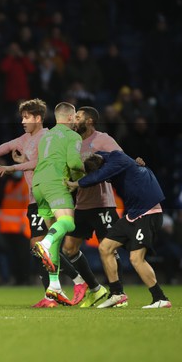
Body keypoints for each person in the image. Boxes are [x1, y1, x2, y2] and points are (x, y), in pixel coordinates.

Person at [0, 98, 86, 307]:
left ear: (38, 118)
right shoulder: (25, 139)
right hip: (35, 196)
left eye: (26, 117)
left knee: (40, 244)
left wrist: (11, 167)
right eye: (22, 117)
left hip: (50, 192)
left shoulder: (47, 136)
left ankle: (75, 282)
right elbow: (7, 146)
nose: (23, 121)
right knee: (40, 246)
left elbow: (39, 162)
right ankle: (55, 292)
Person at [67, 151, 171, 309]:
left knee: (136, 259)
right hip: (133, 215)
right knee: (105, 247)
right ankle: (117, 294)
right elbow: (100, 157)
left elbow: (97, 177)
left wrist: (75, 184)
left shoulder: (117, 161)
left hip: (149, 213)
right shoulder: (109, 156)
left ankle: (160, 298)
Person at [62, 106, 120, 307]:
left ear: (89, 121)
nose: (74, 119)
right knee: (69, 249)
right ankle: (95, 289)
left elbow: (120, 161)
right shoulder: (73, 143)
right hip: (82, 205)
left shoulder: (103, 139)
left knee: (109, 249)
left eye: (78, 116)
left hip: (103, 204)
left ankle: (117, 293)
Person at [31, 102, 84, 305]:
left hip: (38, 185)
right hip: (55, 184)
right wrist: (81, 177)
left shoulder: (45, 137)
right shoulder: (73, 136)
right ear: (70, 118)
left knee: (54, 237)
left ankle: (53, 288)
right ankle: (44, 242)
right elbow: (74, 163)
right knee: (67, 224)